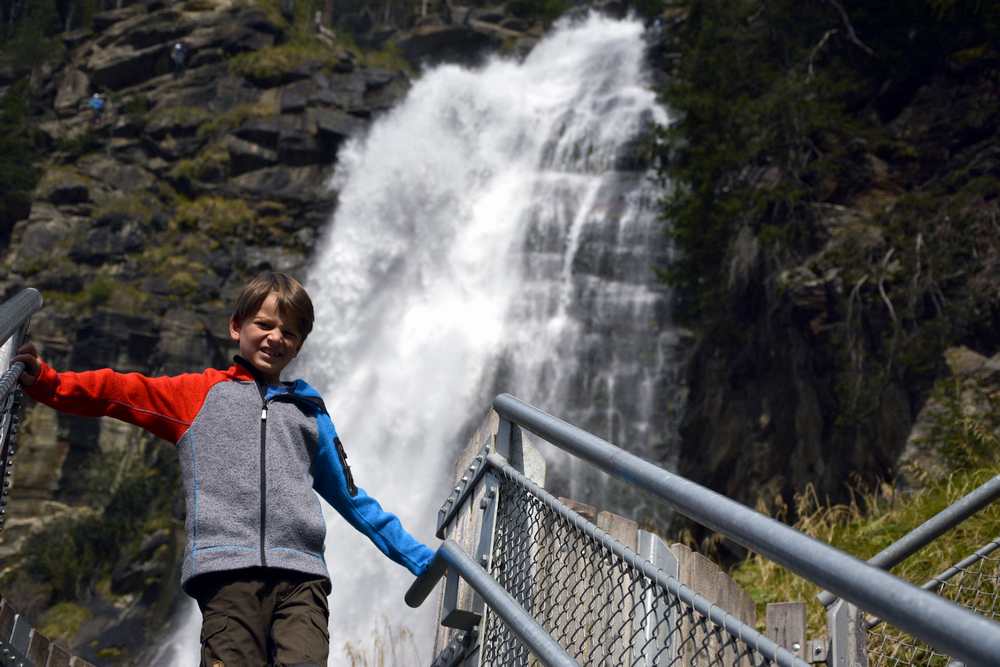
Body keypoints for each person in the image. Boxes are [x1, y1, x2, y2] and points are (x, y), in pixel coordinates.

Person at [13, 272, 436, 666]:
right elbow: (116, 392)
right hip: (226, 575)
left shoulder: (310, 414)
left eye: (290, 332)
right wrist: (48, 381)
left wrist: (421, 559)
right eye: (265, 325)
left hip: (302, 578)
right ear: (237, 327)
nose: (276, 338)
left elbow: (352, 500)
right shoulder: (195, 394)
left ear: (300, 344)